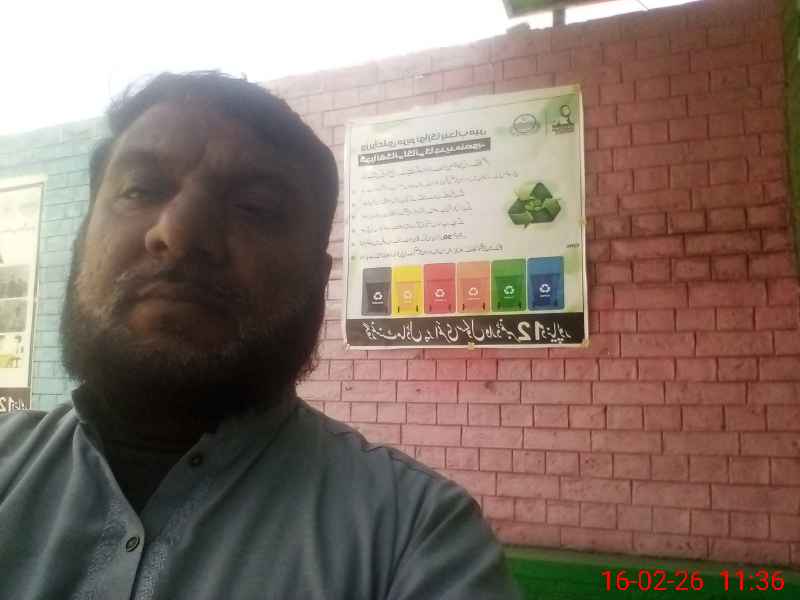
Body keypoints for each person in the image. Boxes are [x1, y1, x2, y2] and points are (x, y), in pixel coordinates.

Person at [0, 71, 521, 599]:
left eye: (255, 208)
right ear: (82, 238)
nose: (178, 232)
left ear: (318, 279)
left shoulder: (414, 536)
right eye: (141, 189)